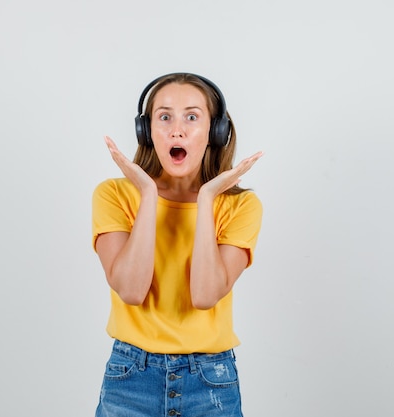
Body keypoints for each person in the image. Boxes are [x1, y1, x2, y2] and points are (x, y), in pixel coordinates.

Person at [92, 72, 263, 417]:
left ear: (215, 132)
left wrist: (206, 198)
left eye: (192, 116)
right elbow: (130, 290)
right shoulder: (114, 194)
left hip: (211, 382)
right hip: (130, 378)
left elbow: (204, 295)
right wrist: (149, 195)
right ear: (147, 130)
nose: (177, 129)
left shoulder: (240, 206)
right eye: (164, 116)